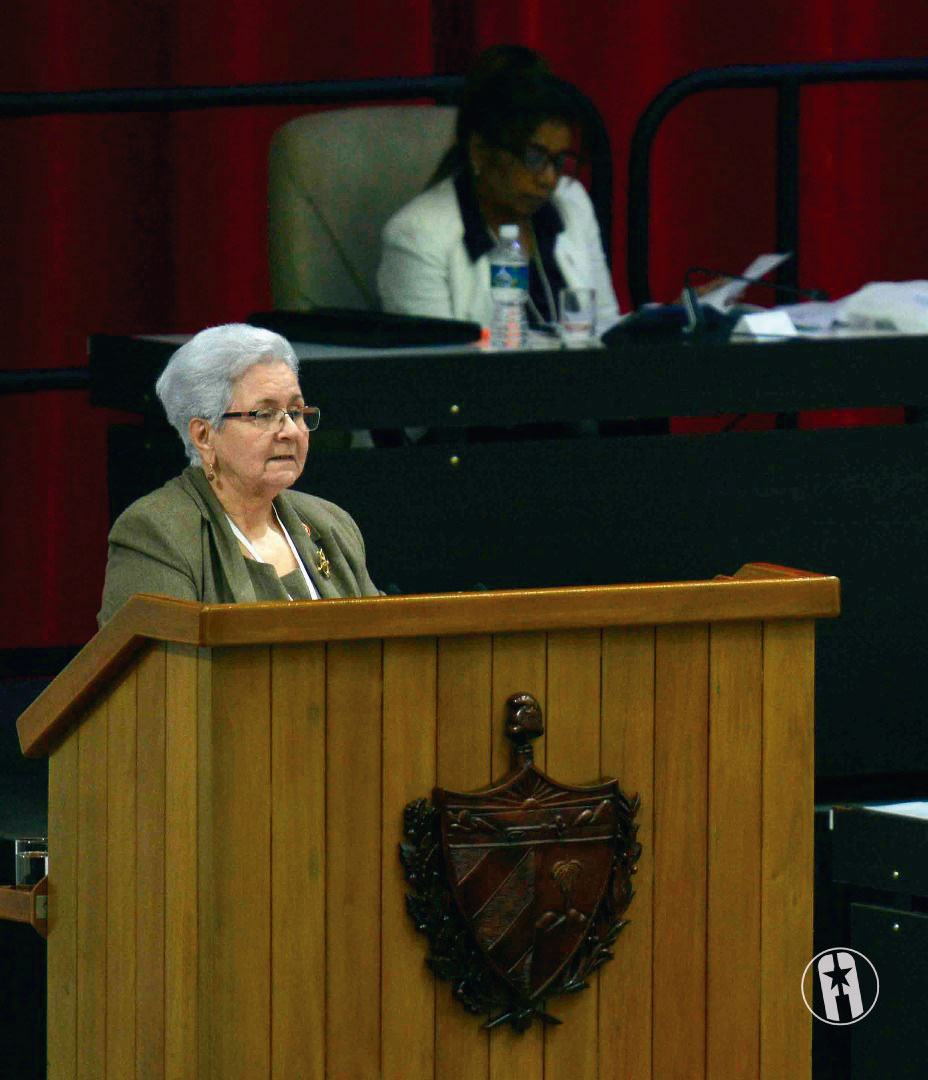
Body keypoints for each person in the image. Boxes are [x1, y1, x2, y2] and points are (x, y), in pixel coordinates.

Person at [98, 323, 379, 624]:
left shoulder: (330, 523)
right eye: (265, 414)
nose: (291, 431)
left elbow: (387, 643)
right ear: (204, 435)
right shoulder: (157, 534)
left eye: (296, 412)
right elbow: (160, 665)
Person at [377, 67, 620, 336]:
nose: (549, 179)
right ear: (479, 152)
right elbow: (435, 368)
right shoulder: (417, 235)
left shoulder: (571, 202)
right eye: (533, 158)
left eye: (558, 160)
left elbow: (607, 329)